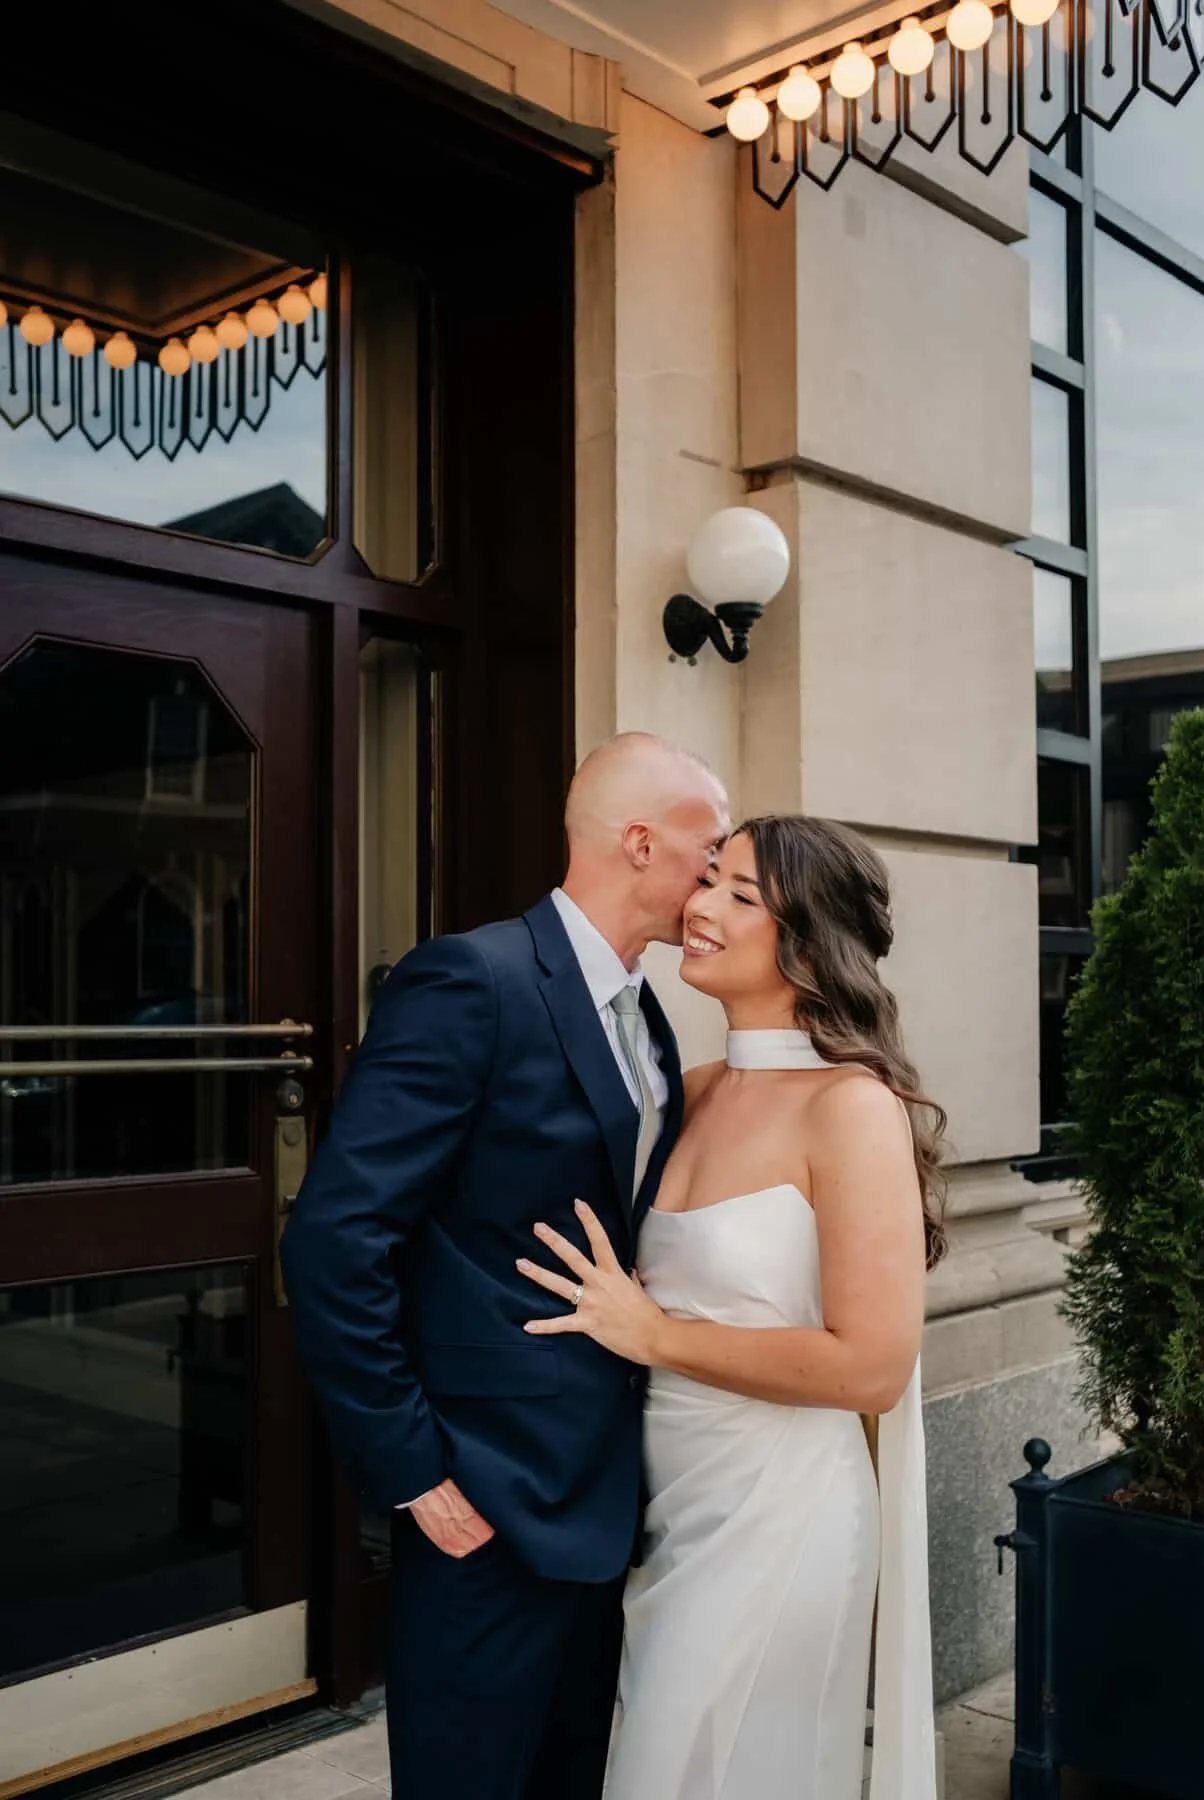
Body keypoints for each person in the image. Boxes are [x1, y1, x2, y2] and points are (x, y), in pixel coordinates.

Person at [279, 732, 730, 1800]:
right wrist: (414, 1469)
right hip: (484, 1492)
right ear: (637, 843)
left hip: (608, 1488)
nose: (716, 876)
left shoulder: (649, 1015)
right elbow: (337, 1237)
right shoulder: (471, 980)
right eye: (708, 850)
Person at [519, 814, 945, 1800]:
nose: (700, 905)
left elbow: (873, 1368)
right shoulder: (689, 1091)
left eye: (740, 893)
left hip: (779, 1516)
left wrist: (653, 1333)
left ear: (811, 939)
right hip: (663, 1513)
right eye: (708, 879)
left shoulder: (851, 1107)